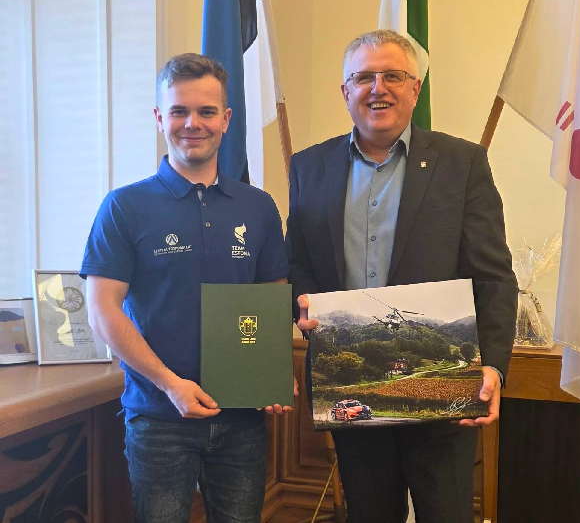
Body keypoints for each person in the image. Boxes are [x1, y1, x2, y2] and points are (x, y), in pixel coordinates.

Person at [285, 30, 517, 523]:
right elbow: (298, 262)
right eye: (364, 77)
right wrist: (302, 304)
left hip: (442, 384)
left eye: (393, 75)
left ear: (415, 89)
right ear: (345, 91)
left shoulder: (462, 163)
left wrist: (494, 366)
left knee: (446, 514)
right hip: (349, 385)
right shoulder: (308, 167)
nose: (378, 88)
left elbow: (494, 276)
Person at [81, 53, 294, 523]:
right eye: (179, 111)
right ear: (160, 118)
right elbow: (102, 311)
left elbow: (270, 301)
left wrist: (273, 370)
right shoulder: (124, 207)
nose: (192, 123)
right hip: (159, 417)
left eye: (206, 111)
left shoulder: (258, 207)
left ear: (226, 119)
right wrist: (171, 385)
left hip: (241, 419)